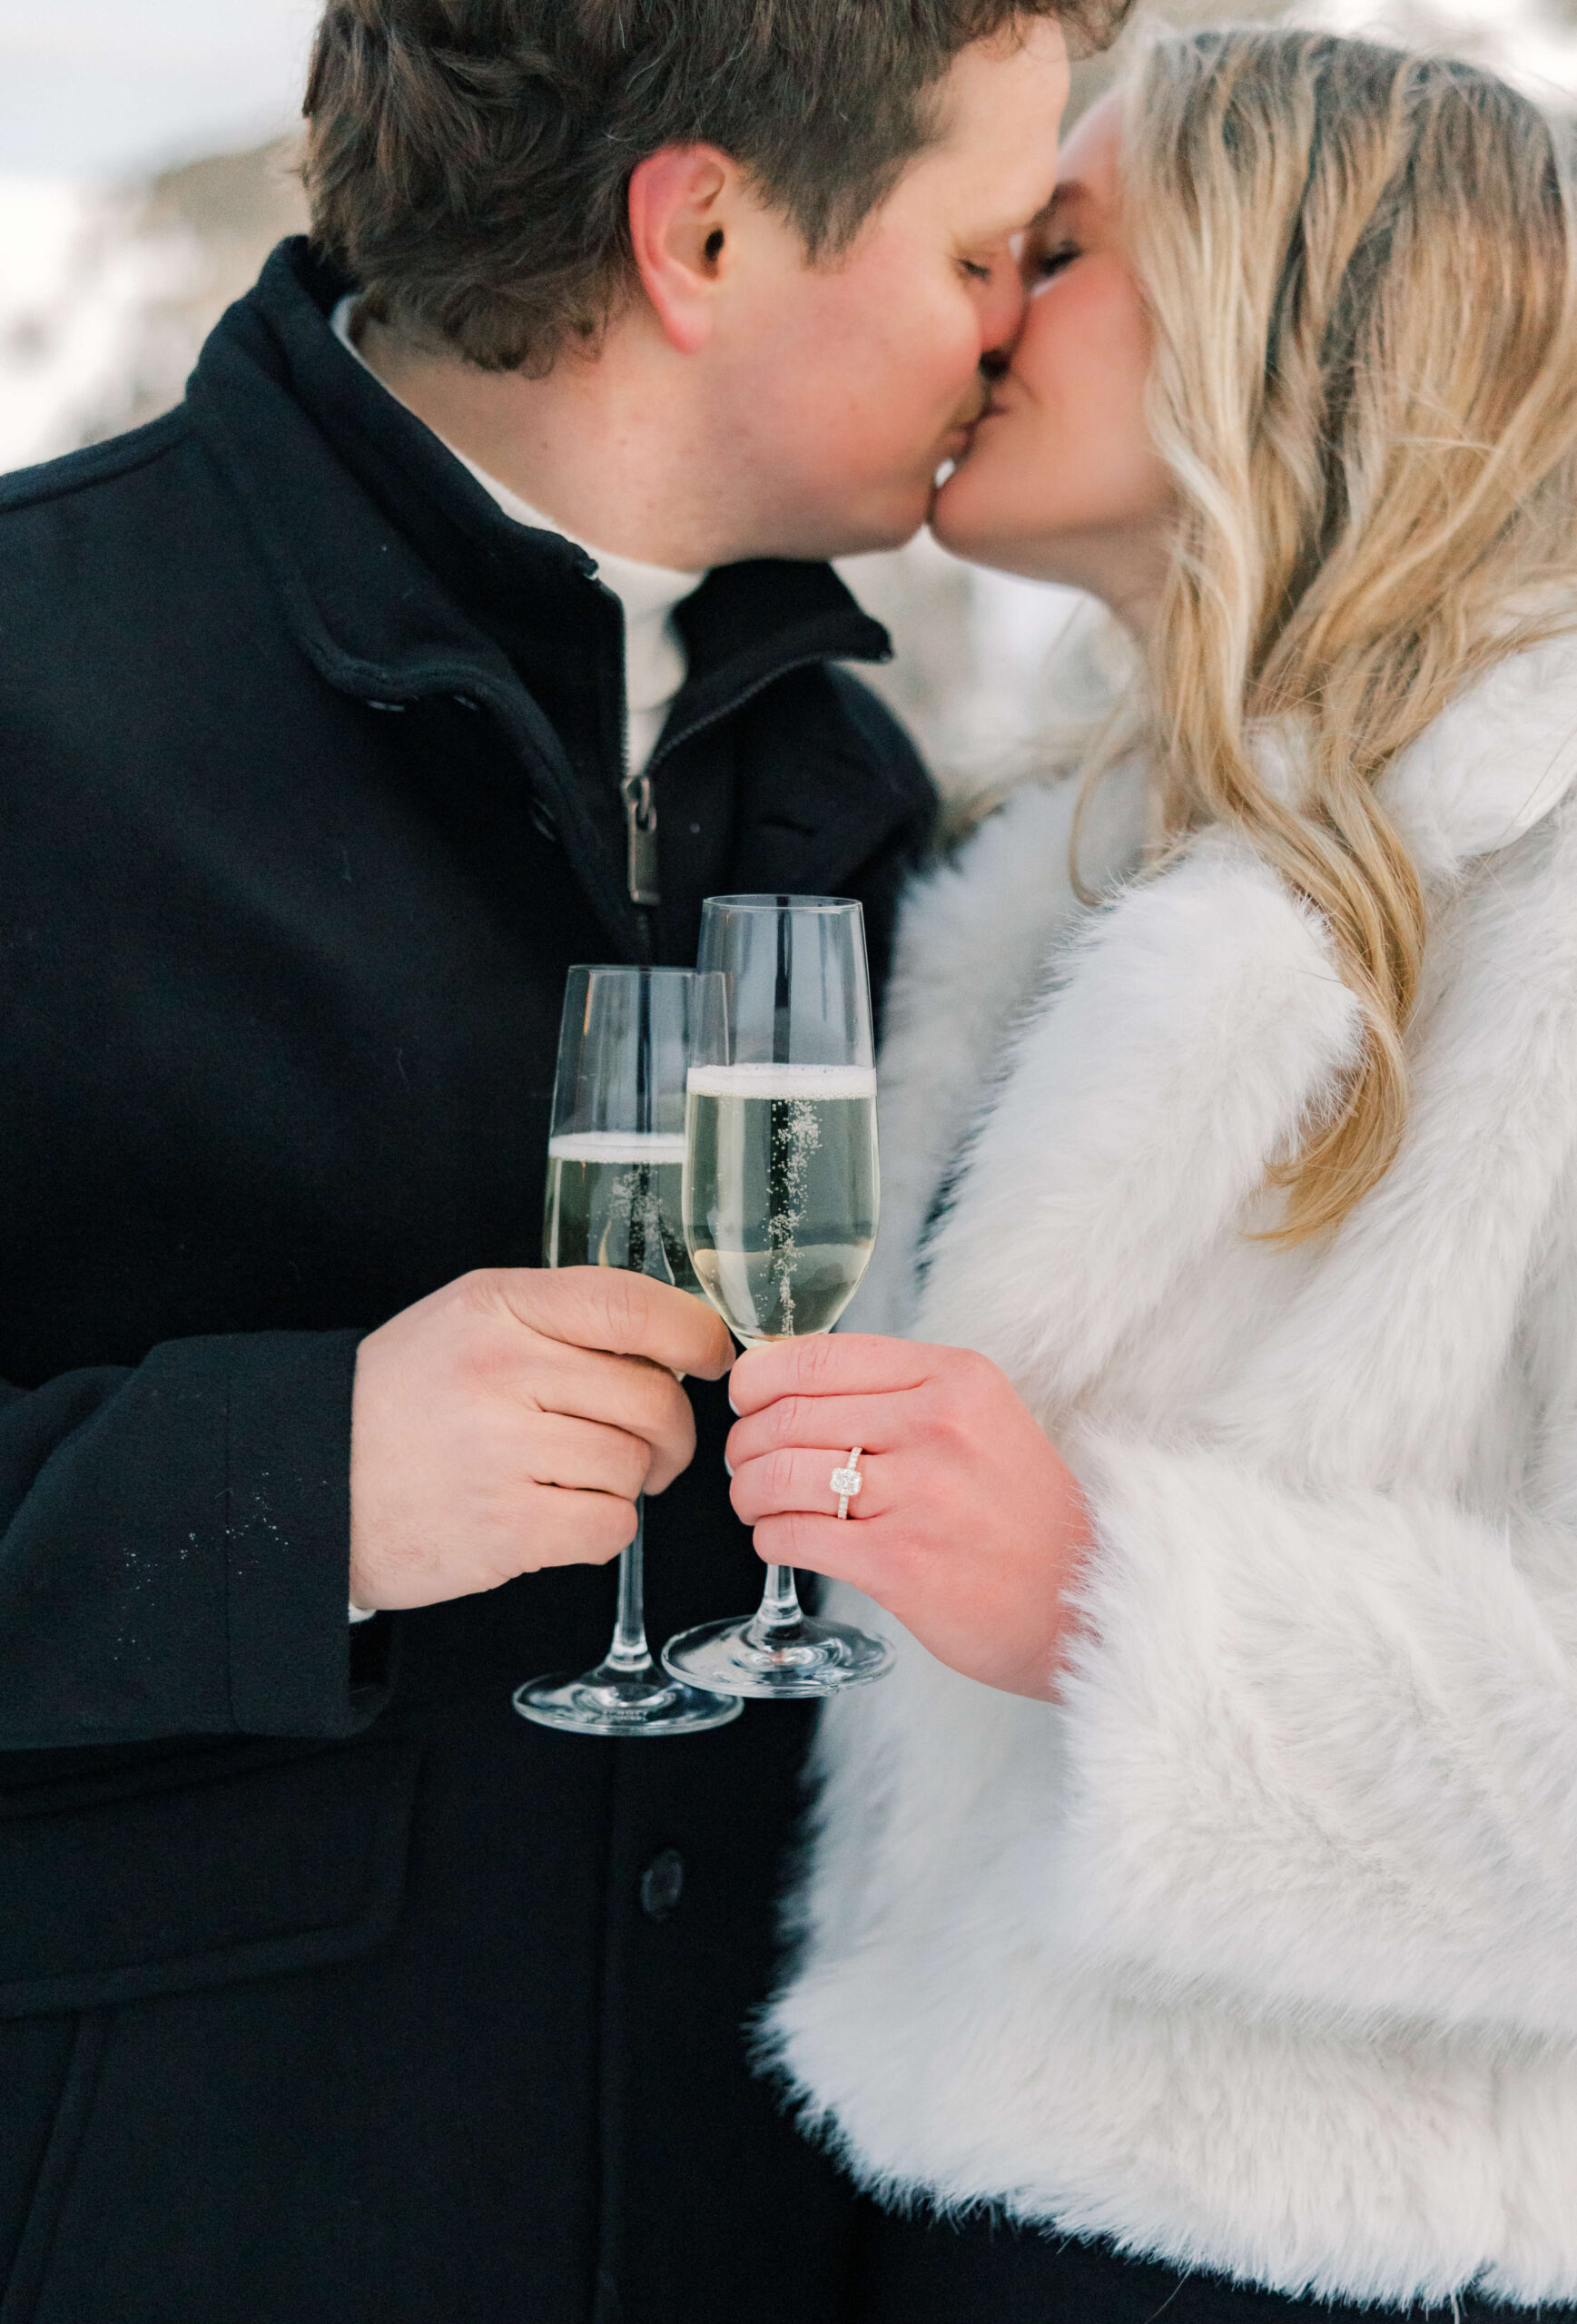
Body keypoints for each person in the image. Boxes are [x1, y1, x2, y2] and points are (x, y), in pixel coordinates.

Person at [0, 2, 1118, 2317]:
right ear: (704, 230)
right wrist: (289, 1483)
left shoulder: (844, 775)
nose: (1010, 329)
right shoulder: (31, 682)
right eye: (985, 244)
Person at [724, 29, 1577, 2320]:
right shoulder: (1050, 880)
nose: (982, 299)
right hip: (944, 2195)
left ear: (1287, 315)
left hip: (1355, 2250)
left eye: (1058, 248)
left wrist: (1107, 1598)